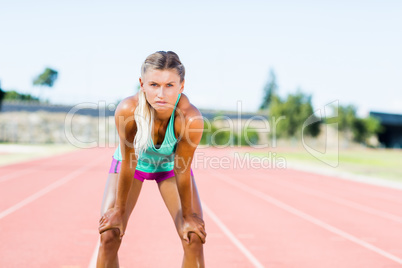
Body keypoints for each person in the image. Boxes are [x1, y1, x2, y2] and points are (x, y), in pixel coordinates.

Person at [97, 51, 206, 267]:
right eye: (154, 84)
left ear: (182, 86)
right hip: (132, 166)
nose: (161, 94)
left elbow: (182, 168)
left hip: (169, 167)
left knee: (194, 237)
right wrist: (118, 211)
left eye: (170, 85)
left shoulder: (190, 118)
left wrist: (188, 216)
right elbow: (129, 162)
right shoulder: (128, 110)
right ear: (142, 84)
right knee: (109, 234)